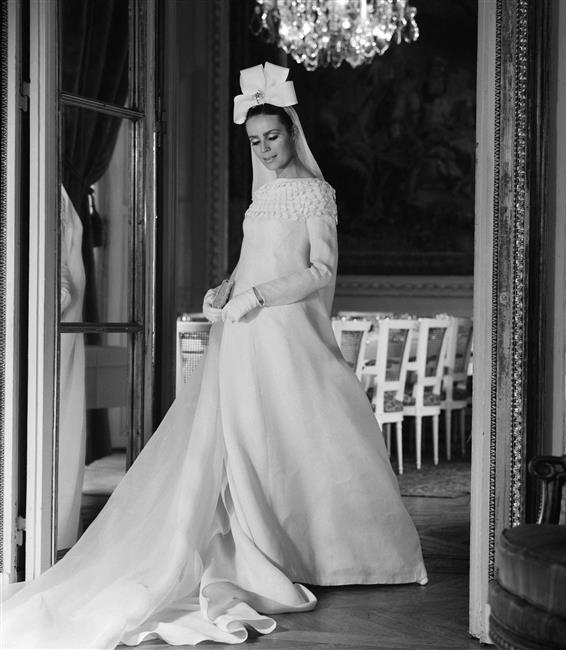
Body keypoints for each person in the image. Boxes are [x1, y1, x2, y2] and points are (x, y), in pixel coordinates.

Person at [1, 62, 426, 649]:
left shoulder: (316, 193)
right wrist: (225, 289)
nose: (265, 149)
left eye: (272, 136)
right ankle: (265, 547)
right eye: (254, 141)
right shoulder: (262, 195)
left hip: (288, 335)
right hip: (242, 335)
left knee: (310, 436)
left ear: (293, 132)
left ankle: (340, 555)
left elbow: (319, 270)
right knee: (247, 440)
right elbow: (255, 260)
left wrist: (258, 296)